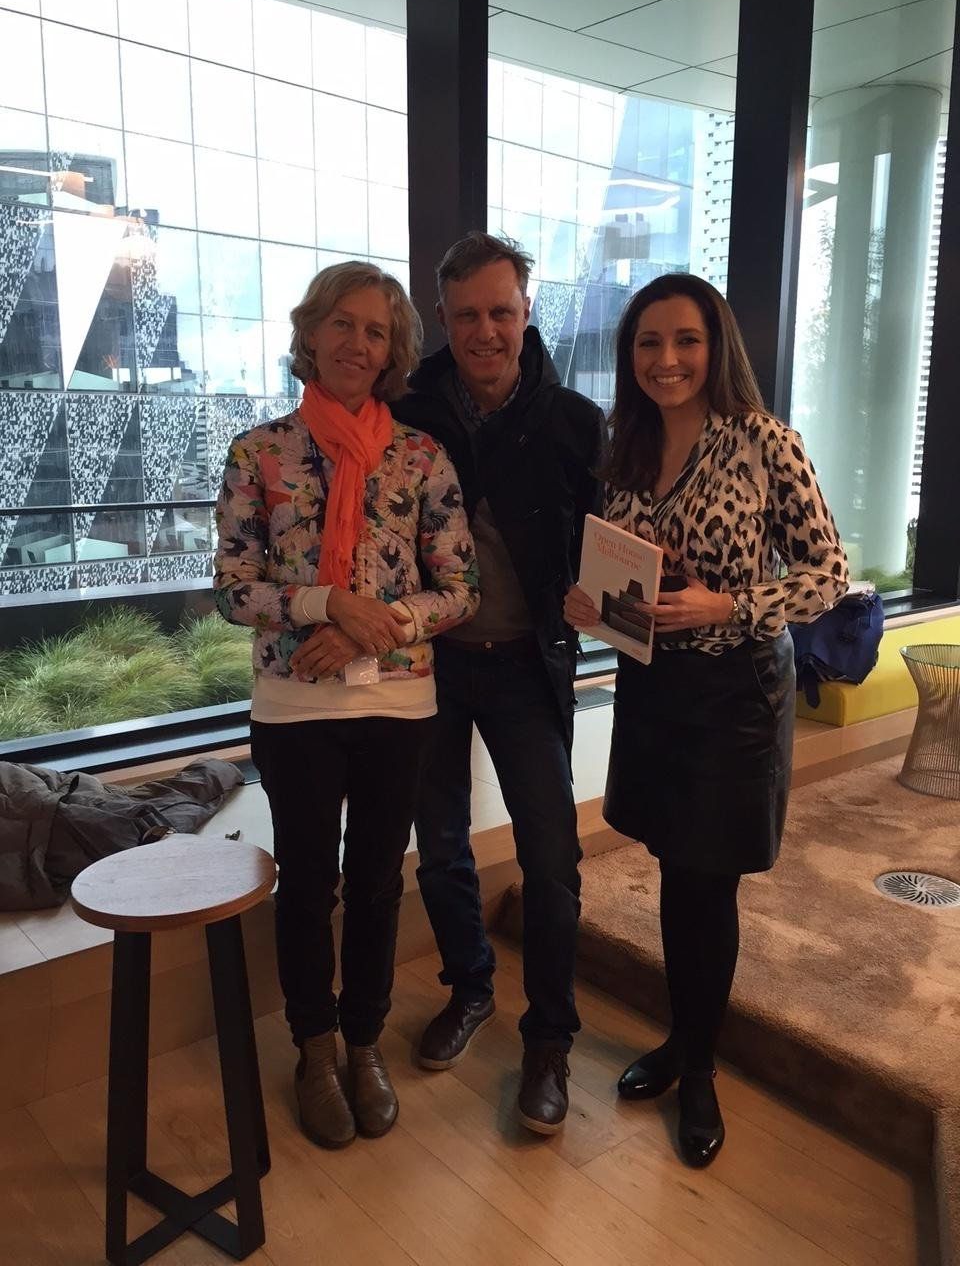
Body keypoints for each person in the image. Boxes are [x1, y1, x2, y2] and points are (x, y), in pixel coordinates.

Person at [564, 272, 848, 1166]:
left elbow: (829, 575)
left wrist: (729, 606)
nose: (667, 359)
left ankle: (699, 1070)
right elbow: (630, 570)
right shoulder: (627, 444)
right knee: (671, 867)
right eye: (648, 342)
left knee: (708, 880)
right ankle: (681, 1039)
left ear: (715, 345)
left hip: (736, 692)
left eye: (685, 339)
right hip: (654, 687)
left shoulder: (764, 441)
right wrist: (594, 606)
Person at [214, 261, 479, 1150]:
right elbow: (232, 588)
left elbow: (462, 590)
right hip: (295, 706)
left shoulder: (421, 457)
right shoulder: (259, 452)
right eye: (342, 323)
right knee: (306, 884)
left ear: (393, 350)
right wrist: (327, 605)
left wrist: (374, 629)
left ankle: (364, 1044)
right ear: (310, 332)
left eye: (376, 331)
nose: (358, 343)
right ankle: (314, 1050)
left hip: (397, 705)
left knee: (375, 882)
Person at [394, 232, 607, 1134]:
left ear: (528, 312)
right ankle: (470, 986)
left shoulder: (575, 421)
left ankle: (550, 1038)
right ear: (442, 319)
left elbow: (609, 546)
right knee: (441, 843)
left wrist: (603, 602)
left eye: (501, 312)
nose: (485, 330)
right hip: (429, 665)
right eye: (467, 314)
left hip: (527, 663)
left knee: (551, 858)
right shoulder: (407, 414)